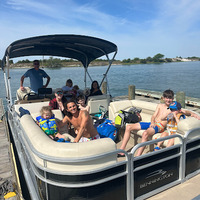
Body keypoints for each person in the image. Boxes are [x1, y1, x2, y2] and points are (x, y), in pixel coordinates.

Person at [119, 89, 175, 157]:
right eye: (166, 98)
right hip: (152, 124)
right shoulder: (160, 105)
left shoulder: (173, 109)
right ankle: (122, 150)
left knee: (145, 134)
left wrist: (191, 113)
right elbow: (153, 116)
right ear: (163, 98)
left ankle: (137, 156)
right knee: (128, 127)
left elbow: (182, 111)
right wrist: (152, 123)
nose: (168, 100)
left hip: (159, 126)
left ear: (173, 99)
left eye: (170, 98)